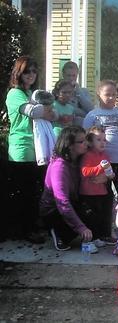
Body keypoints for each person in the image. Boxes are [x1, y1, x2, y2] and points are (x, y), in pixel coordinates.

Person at [5, 56, 49, 243]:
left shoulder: (30, 93)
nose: (31, 75)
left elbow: (51, 112)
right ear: (19, 73)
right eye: (27, 71)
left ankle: (32, 225)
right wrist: (46, 108)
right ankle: (25, 230)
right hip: (21, 150)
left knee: (35, 192)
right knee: (25, 193)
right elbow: (35, 112)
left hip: (36, 149)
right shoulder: (15, 94)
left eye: (33, 71)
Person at [39, 126, 94, 251]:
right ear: (69, 146)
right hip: (53, 209)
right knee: (82, 220)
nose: (86, 144)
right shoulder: (59, 166)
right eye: (81, 142)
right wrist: (81, 228)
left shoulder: (78, 160)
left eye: (85, 139)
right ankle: (57, 231)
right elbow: (61, 201)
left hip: (72, 201)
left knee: (92, 210)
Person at [83, 80, 118, 197]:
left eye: (114, 95)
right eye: (107, 95)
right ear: (98, 95)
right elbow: (85, 140)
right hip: (101, 164)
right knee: (104, 194)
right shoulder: (92, 115)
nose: (111, 98)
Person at [79, 126, 116, 247]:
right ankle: (93, 238)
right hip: (89, 193)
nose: (102, 142)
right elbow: (84, 171)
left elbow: (109, 172)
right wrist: (100, 168)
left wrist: (110, 175)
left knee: (102, 214)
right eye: (98, 139)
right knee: (92, 216)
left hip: (102, 191)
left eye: (104, 140)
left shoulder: (105, 155)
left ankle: (103, 235)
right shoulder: (88, 155)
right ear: (89, 141)